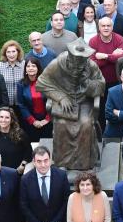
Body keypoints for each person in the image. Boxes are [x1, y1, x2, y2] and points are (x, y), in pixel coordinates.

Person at [35, 39, 107, 171]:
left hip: (84, 101)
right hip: (64, 101)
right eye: (75, 63)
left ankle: (84, 164)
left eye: (81, 63)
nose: (78, 67)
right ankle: (62, 162)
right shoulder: (57, 64)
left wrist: (87, 83)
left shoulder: (91, 66)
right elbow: (41, 83)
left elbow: (101, 84)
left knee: (85, 124)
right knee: (61, 124)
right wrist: (60, 97)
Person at [15, 58, 52, 142]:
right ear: (25, 69)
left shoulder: (47, 82)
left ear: (38, 68)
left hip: (47, 122)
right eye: (28, 66)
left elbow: (53, 101)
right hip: (29, 123)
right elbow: (21, 104)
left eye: (33, 66)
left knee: (47, 145)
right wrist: (33, 121)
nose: (30, 68)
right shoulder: (20, 84)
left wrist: (47, 119)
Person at [0, 107, 32, 173]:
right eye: (1, 117)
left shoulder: (20, 134)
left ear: (11, 120)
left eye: (7, 117)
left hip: (17, 172)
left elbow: (29, 152)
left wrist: (22, 165)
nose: (3, 120)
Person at [88, 16, 123, 89]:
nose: (106, 28)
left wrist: (105, 56)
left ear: (112, 27)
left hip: (117, 80)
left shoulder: (119, 39)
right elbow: (92, 64)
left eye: (108, 26)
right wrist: (113, 56)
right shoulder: (93, 41)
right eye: (103, 26)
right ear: (99, 27)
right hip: (98, 80)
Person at [0, 40, 26, 109]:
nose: (11, 54)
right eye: (8, 52)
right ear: (5, 53)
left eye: (13, 51)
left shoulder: (24, 64)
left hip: (22, 103)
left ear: (18, 52)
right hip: (5, 104)